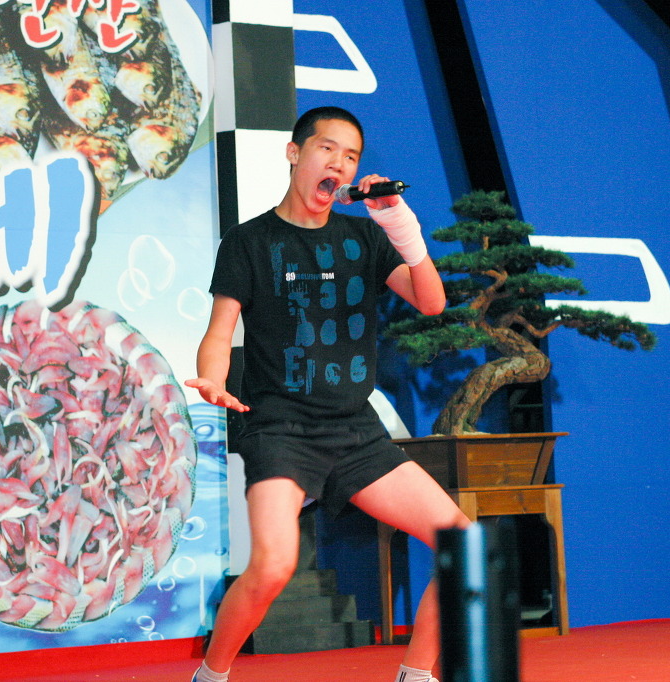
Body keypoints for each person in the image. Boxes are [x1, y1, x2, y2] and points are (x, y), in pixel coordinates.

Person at [185, 106, 471, 682]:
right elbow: (218, 333)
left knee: (463, 548)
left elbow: (432, 302)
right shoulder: (248, 241)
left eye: (351, 157)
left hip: (355, 430)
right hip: (281, 429)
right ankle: (210, 675)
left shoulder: (363, 237)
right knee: (273, 565)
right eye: (327, 149)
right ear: (295, 153)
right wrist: (212, 379)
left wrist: (400, 226)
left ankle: (416, 674)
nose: (338, 164)